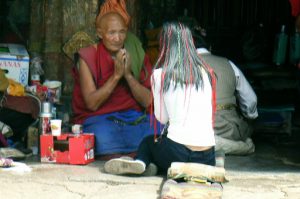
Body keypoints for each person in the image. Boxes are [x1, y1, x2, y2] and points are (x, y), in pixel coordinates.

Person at [104, 22, 217, 175]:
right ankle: (154, 165)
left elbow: (162, 118)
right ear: (190, 43)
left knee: (149, 142)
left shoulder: (160, 75)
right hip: (207, 156)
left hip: (177, 153)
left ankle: (141, 162)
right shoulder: (207, 73)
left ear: (164, 46)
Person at [71, 11, 158, 157]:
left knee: (158, 129)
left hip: (133, 117)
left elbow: (148, 101)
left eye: (122, 32)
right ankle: (139, 157)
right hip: (101, 119)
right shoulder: (89, 56)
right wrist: (116, 76)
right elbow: (92, 104)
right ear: (100, 33)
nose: (118, 38)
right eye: (112, 33)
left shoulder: (136, 55)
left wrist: (128, 76)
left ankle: (130, 158)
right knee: (102, 135)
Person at [196, 38, 258, 155]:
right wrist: (250, 117)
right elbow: (251, 100)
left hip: (197, 128)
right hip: (230, 128)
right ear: (210, 48)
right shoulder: (228, 64)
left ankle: (214, 144)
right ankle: (237, 146)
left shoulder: (181, 67)